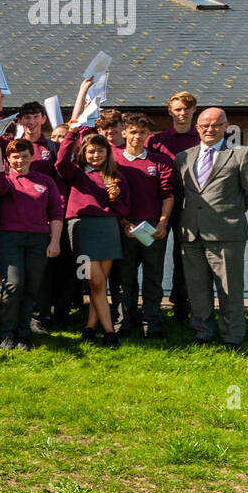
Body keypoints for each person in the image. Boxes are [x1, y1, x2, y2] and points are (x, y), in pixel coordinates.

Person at [175, 107, 248, 349]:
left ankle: (232, 336)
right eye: (205, 125)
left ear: (226, 126)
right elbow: (181, 194)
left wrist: (230, 212)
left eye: (216, 125)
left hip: (227, 233)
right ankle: (202, 333)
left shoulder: (242, 154)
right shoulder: (183, 157)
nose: (210, 129)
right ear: (197, 128)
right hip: (191, 234)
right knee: (197, 289)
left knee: (229, 289)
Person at [57, 125, 130, 346]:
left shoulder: (116, 176)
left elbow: (124, 210)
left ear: (107, 152)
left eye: (99, 151)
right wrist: (71, 133)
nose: (95, 155)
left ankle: (89, 328)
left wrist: (115, 198)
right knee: (95, 281)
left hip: (108, 229)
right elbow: (60, 162)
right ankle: (109, 333)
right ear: (83, 153)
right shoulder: (76, 173)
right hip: (81, 229)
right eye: (90, 151)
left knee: (99, 284)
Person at [0, 138, 64, 350]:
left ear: (32, 156)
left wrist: (55, 241)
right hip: (9, 238)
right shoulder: (5, 179)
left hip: (38, 239)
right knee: (13, 284)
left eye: (24, 156)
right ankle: (6, 334)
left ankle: (23, 334)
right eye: (15, 157)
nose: (20, 160)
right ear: (9, 159)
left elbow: (56, 212)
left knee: (31, 287)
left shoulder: (45, 181)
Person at [115, 113, 175, 340]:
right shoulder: (114, 161)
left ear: (148, 135)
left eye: (142, 133)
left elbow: (168, 195)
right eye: (132, 132)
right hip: (125, 227)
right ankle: (124, 322)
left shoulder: (160, 161)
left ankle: (152, 323)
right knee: (124, 278)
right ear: (124, 133)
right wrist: (123, 222)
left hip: (152, 227)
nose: (137, 137)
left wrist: (162, 222)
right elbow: (109, 198)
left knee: (152, 278)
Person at [148, 91, 200, 328]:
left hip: (189, 205)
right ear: (170, 111)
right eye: (177, 109)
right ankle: (151, 306)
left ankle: (181, 304)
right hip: (158, 204)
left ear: (193, 111)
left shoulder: (201, 138)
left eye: (186, 110)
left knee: (184, 256)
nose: (182, 113)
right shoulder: (155, 140)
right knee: (152, 256)